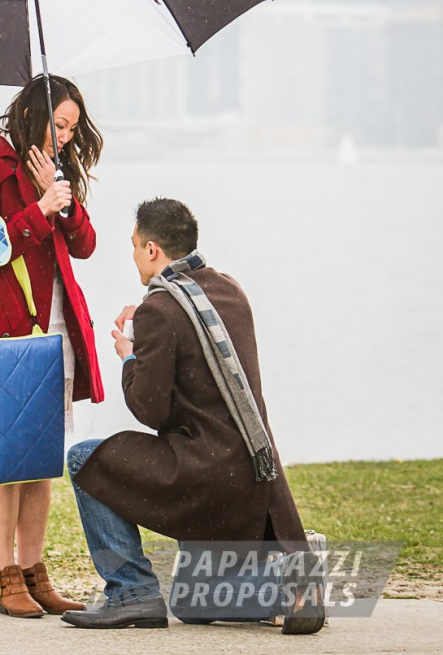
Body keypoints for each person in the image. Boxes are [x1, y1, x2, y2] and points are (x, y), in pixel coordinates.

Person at [62, 197, 325, 634]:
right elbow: (193, 342)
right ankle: (287, 587)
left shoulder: (160, 310)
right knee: (190, 602)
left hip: (203, 476)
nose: (132, 256)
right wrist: (146, 328)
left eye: (133, 246)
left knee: (82, 457)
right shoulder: (228, 290)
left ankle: (132, 593)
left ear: (152, 250)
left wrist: (131, 356)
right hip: (255, 481)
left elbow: (150, 409)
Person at [0, 74, 105, 619]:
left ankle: (35, 571)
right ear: (30, 116)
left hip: (56, 323)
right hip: (5, 322)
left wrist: (63, 200)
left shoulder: (56, 167)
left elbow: (86, 245)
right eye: (58, 125)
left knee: (41, 458)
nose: (65, 137)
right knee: (6, 456)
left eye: (71, 128)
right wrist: (40, 208)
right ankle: (6, 575)